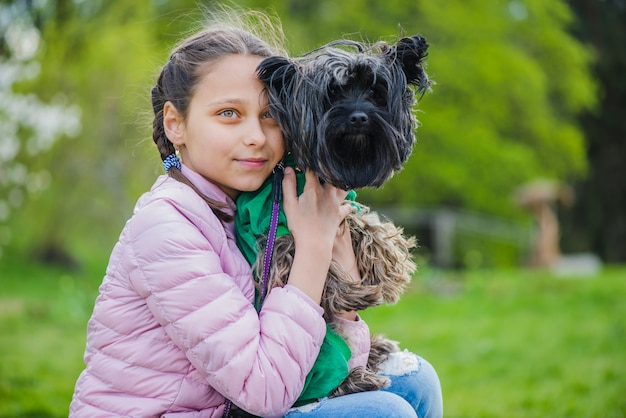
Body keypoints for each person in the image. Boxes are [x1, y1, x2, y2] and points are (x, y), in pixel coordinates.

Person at [70, 8, 442, 418]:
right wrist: (315, 246)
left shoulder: (253, 206)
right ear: (175, 123)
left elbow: (317, 353)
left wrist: (346, 298)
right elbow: (264, 390)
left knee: (418, 380)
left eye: (270, 116)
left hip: (237, 402)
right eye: (228, 114)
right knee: (384, 413)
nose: (255, 137)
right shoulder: (166, 230)